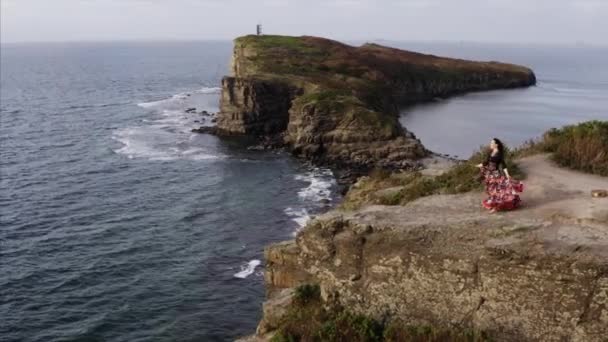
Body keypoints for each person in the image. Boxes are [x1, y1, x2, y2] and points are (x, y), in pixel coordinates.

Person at [476, 138, 523, 212]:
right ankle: (494, 205)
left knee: (498, 190)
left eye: (492, 143)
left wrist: (507, 174)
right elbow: (486, 162)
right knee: (490, 190)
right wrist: (480, 165)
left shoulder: (499, 154)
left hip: (495, 174)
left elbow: (504, 165)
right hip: (489, 174)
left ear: (496, 145)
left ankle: (496, 207)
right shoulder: (491, 152)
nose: (490, 144)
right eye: (490, 143)